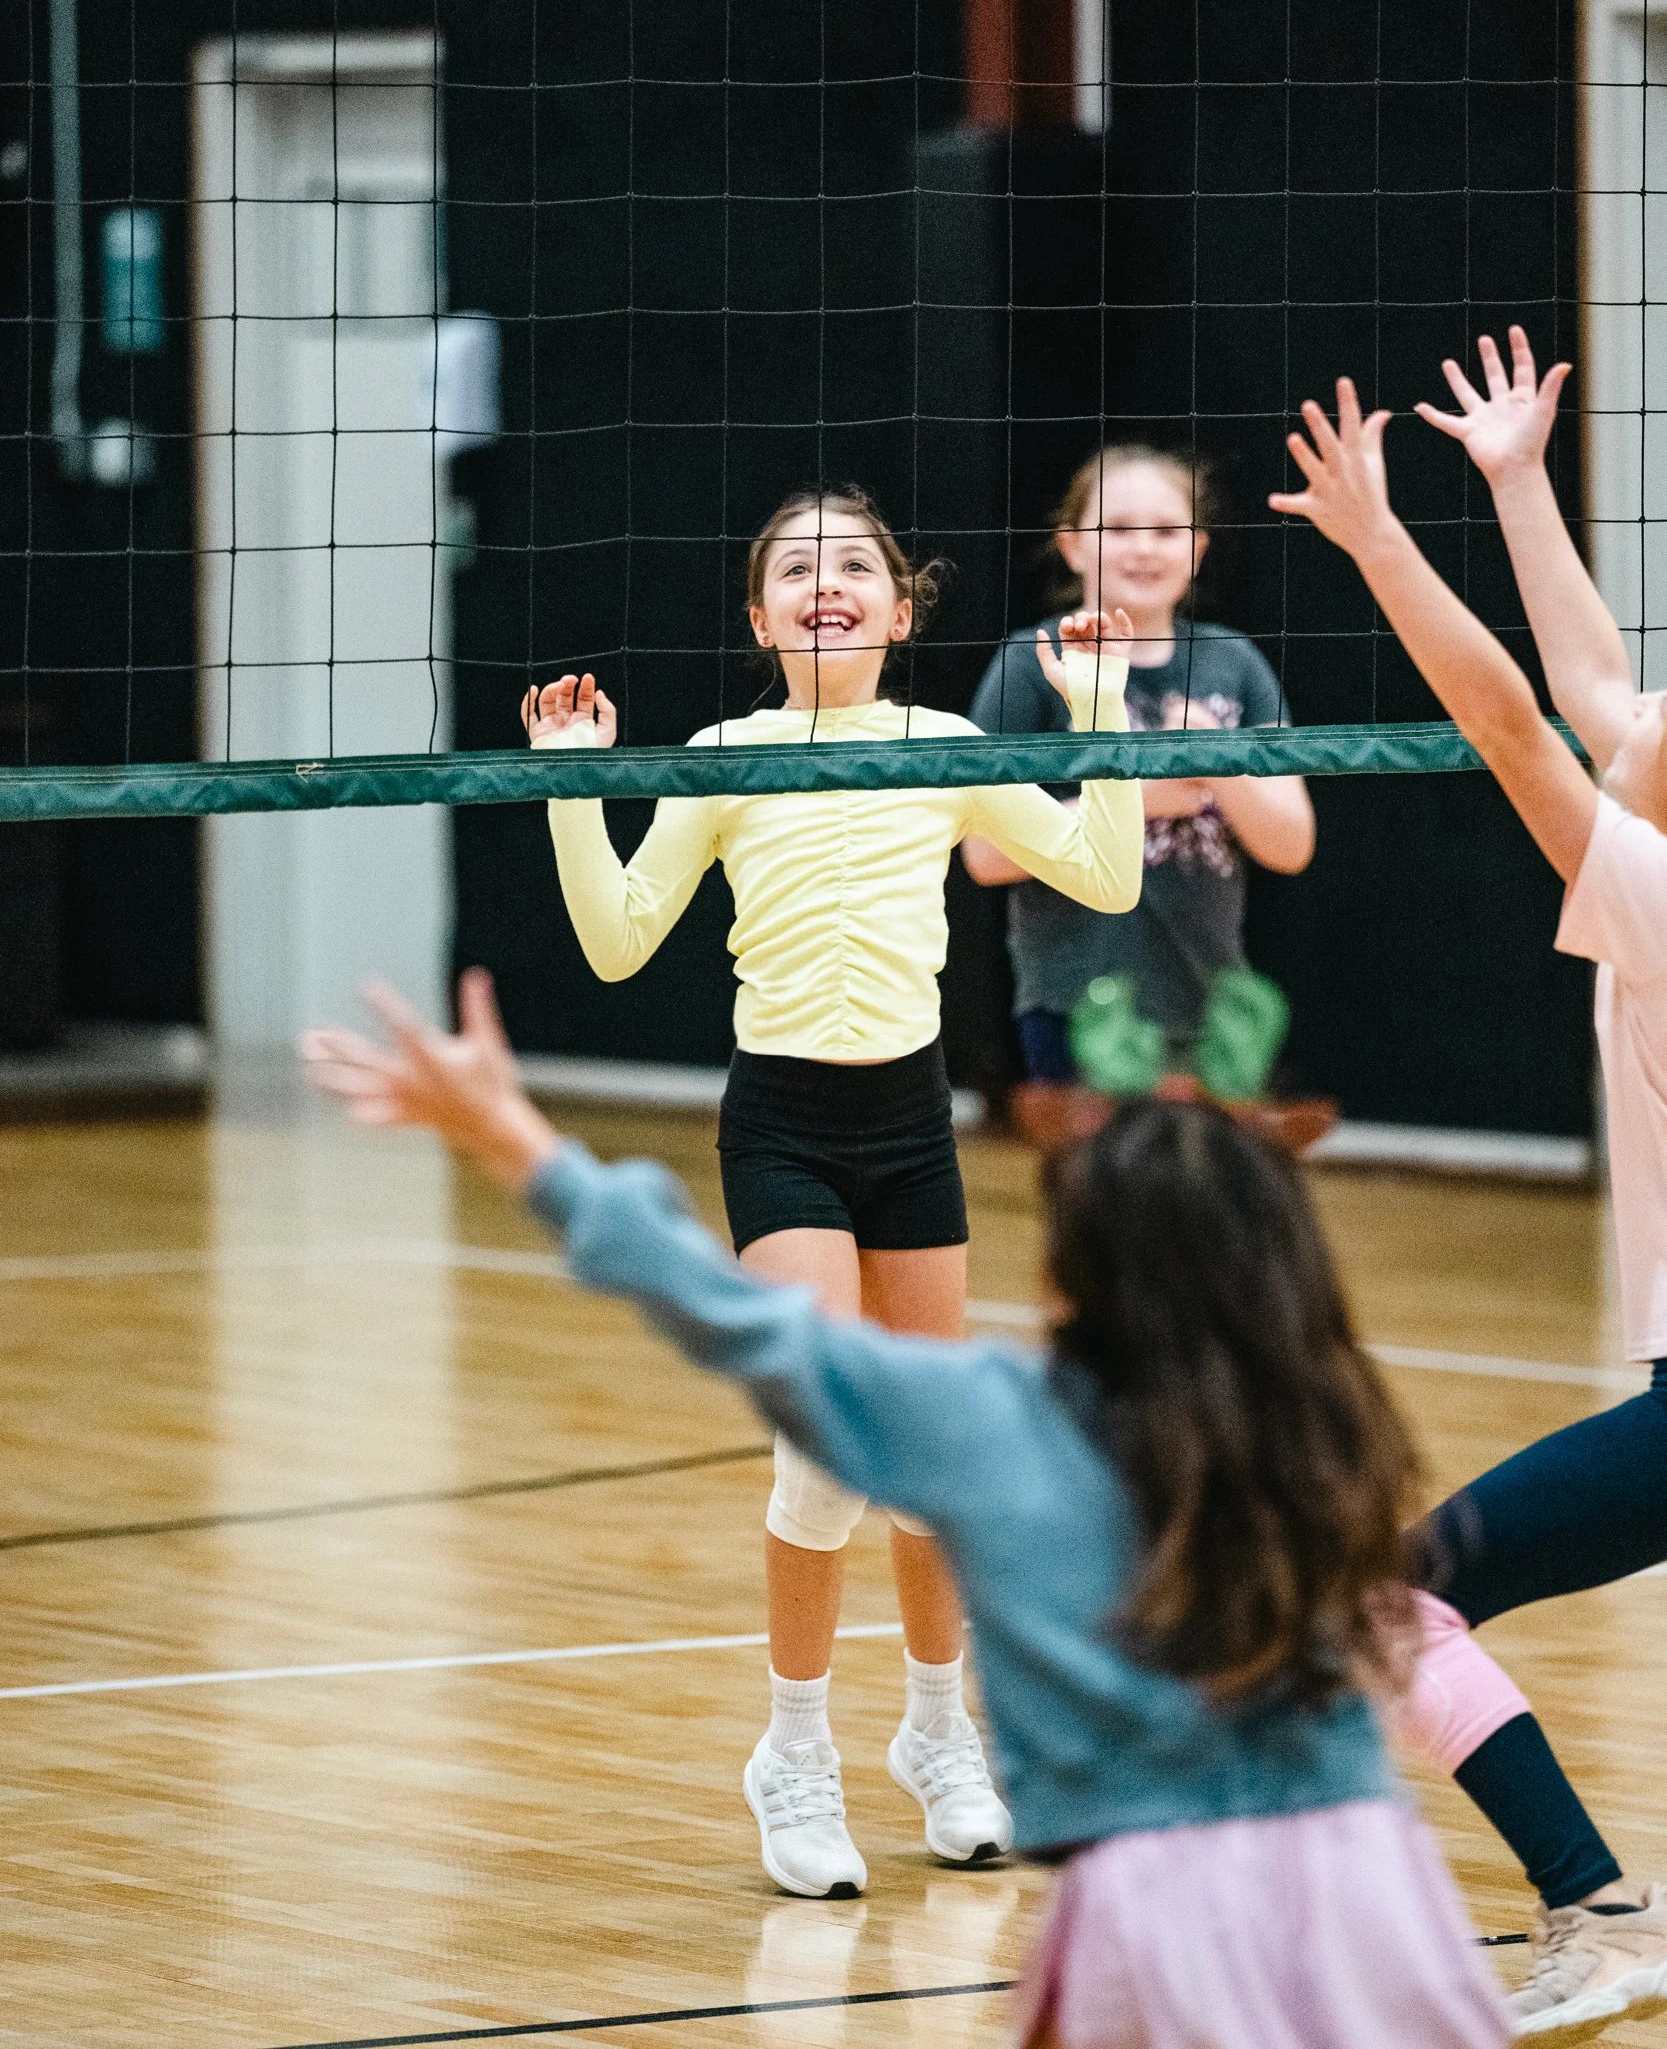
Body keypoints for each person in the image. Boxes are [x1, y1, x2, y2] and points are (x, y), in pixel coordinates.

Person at [303, 973, 1508, 2049]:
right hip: (1373, 1880)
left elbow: (744, 1325)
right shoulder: (1325, 1426)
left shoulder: (996, 1419)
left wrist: (514, 1139)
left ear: (1071, 1272)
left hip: (1155, 1913)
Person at [518, 487, 1146, 1898]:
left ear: (900, 607)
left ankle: (938, 1737)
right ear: (757, 618)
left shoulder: (945, 747)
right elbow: (618, 946)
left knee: (929, 1456)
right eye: (793, 568)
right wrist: (573, 784)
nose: (824, 583)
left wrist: (1096, 703)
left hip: (907, 1123)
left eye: (852, 564)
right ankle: (790, 1754)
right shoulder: (722, 757)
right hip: (784, 1126)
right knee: (821, 1452)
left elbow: (1103, 871)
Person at [1271, 328, 1667, 2036]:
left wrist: (1380, 542)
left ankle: (1596, 1905)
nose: (1635, 713)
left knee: (1392, 1588)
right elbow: (1588, 693)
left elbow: (1518, 719)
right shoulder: (1651, 831)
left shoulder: (1652, 893)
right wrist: (1513, 480)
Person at [964, 445, 1314, 1085]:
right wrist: (1140, 793)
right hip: (1075, 1000)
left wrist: (1222, 768)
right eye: (1119, 528)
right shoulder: (1034, 662)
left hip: (1212, 1004)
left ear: (1198, 548)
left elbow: (1292, 845)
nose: (1144, 548)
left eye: (1165, 530)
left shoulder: (1235, 663)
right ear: (1071, 546)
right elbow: (984, 854)